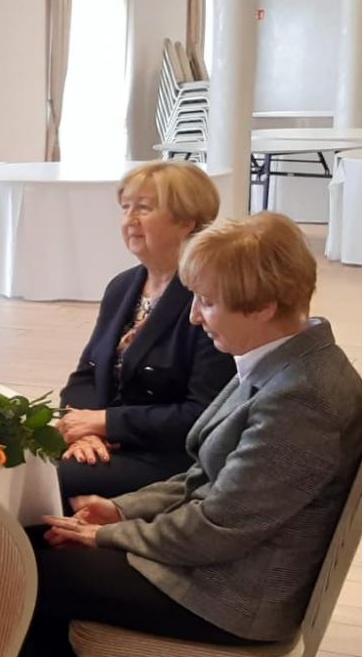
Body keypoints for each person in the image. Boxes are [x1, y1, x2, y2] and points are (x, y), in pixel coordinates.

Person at [0, 212, 362, 657]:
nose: (194, 317)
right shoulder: (280, 359)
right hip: (227, 562)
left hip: (232, 594)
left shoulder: (303, 396)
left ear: (264, 305)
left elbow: (218, 527)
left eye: (208, 302)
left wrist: (108, 535)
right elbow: (201, 475)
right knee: (40, 540)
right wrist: (121, 508)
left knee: (20, 564)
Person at [57, 161, 234, 504]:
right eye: (126, 208)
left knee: (44, 475)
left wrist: (106, 423)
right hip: (109, 442)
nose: (130, 220)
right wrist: (83, 431)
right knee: (13, 451)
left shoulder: (209, 296)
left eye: (144, 208)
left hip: (169, 458)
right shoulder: (123, 286)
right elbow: (86, 375)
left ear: (186, 221)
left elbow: (203, 412)